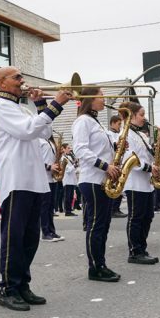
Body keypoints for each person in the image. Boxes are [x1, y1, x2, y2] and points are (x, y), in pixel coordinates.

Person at [0, 66, 71, 310]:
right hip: (15, 179)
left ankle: (22, 283)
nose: (22, 81)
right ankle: (8, 288)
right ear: (2, 83)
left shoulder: (21, 107)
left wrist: (41, 104)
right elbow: (27, 131)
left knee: (30, 237)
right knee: (14, 237)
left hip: (33, 178)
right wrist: (55, 104)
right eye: (17, 77)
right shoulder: (0, 107)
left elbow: (43, 131)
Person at [73, 86, 125, 282]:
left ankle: (100, 264)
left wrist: (116, 147)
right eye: (101, 96)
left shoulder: (95, 122)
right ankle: (95, 267)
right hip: (93, 179)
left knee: (103, 224)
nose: (104, 99)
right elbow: (80, 150)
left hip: (101, 179)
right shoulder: (83, 121)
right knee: (96, 225)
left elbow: (97, 148)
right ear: (90, 99)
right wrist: (105, 166)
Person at [118, 102, 159, 264]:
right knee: (136, 217)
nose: (144, 118)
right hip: (134, 182)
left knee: (148, 216)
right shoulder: (125, 134)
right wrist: (150, 167)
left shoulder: (140, 134)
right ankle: (135, 251)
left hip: (146, 182)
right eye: (141, 115)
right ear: (131, 116)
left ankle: (142, 247)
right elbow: (130, 159)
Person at [38, 136, 64, 242]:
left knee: (51, 207)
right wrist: (49, 167)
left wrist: (59, 154)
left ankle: (51, 231)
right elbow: (36, 160)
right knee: (44, 207)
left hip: (52, 178)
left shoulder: (49, 141)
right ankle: (45, 232)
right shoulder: (38, 140)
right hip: (44, 178)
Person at [106, 115, 126, 219]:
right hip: (113, 162)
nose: (119, 126)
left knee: (119, 186)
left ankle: (116, 208)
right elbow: (114, 146)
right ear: (112, 123)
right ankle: (114, 209)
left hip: (119, 162)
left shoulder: (118, 134)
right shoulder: (109, 134)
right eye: (119, 124)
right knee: (115, 185)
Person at [61, 144, 79, 217]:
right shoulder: (63, 158)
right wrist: (74, 165)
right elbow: (67, 170)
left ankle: (69, 209)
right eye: (68, 148)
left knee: (71, 196)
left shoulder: (68, 157)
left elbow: (73, 168)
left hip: (71, 180)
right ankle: (67, 211)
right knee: (67, 197)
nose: (70, 149)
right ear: (64, 149)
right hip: (67, 180)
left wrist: (76, 164)